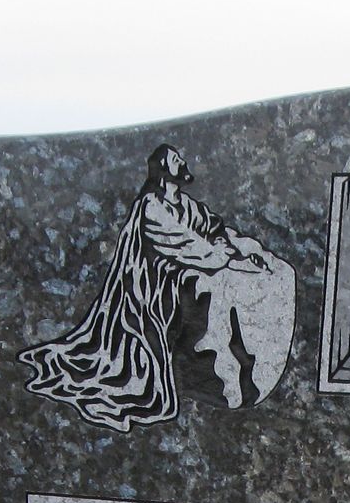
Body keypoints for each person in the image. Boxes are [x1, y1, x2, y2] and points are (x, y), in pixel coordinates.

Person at [20, 145, 268, 430]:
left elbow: (213, 230)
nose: (184, 162)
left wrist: (225, 250)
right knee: (142, 370)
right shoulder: (152, 206)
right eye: (177, 160)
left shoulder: (188, 206)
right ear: (164, 170)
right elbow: (184, 244)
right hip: (149, 292)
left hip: (178, 284)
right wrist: (224, 256)